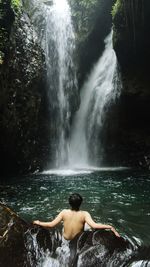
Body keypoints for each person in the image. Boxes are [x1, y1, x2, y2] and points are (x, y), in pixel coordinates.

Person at [33, 193, 120, 240]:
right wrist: (110, 227)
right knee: (88, 226)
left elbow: (51, 224)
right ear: (81, 203)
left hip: (65, 239)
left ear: (69, 203)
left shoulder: (64, 212)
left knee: (65, 225)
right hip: (77, 240)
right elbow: (94, 226)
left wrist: (39, 222)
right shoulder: (85, 214)